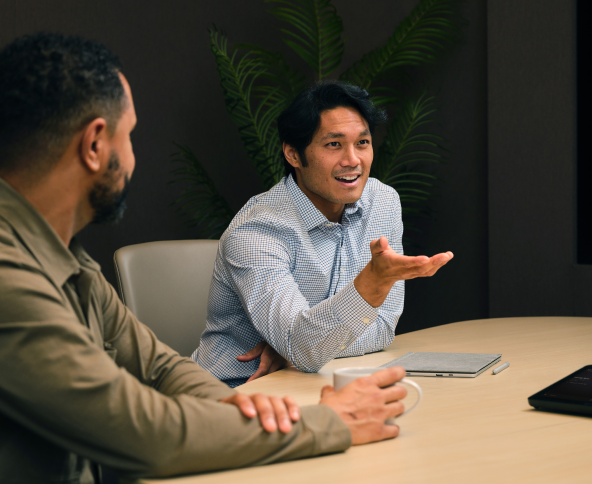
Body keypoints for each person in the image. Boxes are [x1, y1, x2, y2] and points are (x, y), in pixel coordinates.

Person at [0, 33, 411, 483]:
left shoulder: (59, 254)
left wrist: (238, 407)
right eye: (130, 136)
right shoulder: (10, 280)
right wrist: (326, 422)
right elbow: (143, 434)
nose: (134, 158)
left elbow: (157, 364)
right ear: (96, 144)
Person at [191, 81, 454, 384]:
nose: (353, 160)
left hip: (317, 384)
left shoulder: (382, 202)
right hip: (233, 393)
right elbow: (304, 347)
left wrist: (305, 347)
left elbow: (382, 328)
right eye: (334, 144)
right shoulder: (256, 231)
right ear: (293, 154)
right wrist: (371, 284)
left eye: (362, 143)